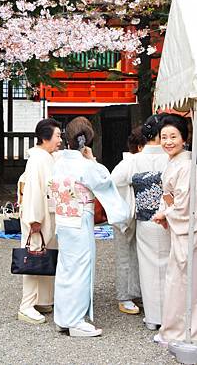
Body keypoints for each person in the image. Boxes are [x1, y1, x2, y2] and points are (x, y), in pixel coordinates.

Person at [50, 117, 129, 337]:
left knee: (66, 268)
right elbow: (104, 181)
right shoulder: (84, 165)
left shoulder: (59, 161)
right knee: (81, 269)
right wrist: (93, 160)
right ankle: (75, 321)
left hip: (64, 220)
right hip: (80, 218)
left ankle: (63, 318)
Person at [111, 113, 170, 330]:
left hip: (143, 218)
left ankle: (148, 312)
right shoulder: (173, 158)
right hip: (169, 218)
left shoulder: (133, 160)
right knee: (168, 265)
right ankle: (167, 312)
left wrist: (129, 202)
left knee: (143, 265)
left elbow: (113, 182)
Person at [153, 114, 197, 345]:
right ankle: (173, 330)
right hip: (178, 226)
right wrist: (166, 214)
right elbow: (170, 197)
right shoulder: (174, 162)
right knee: (176, 282)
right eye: (164, 137)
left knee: (183, 283)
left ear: (184, 138)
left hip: (188, 231)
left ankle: (184, 332)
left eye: (173, 137)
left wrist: (166, 214)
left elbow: (184, 203)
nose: (168, 141)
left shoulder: (187, 165)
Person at [17, 118, 62, 324]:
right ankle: (26, 305)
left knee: (45, 253)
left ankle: (43, 298)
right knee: (33, 254)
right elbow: (33, 190)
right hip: (39, 215)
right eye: (57, 136)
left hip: (47, 212)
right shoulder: (38, 159)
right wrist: (34, 219)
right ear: (45, 138)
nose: (60, 140)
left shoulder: (45, 156)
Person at [111, 126, 146, 315]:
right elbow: (112, 183)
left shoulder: (137, 161)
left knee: (137, 256)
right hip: (124, 216)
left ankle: (136, 291)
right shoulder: (128, 163)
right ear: (140, 146)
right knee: (125, 257)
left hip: (137, 215)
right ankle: (124, 296)